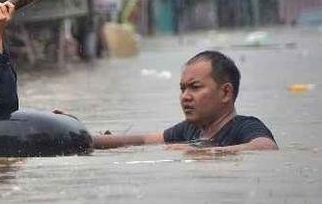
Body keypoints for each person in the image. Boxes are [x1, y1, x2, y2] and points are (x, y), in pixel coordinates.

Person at [93, 50, 278, 153]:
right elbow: (142, 140)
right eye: (183, 88)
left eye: (195, 87)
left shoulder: (245, 127)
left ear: (226, 93)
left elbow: (266, 147)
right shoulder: (191, 130)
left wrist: (204, 152)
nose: (185, 96)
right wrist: (87, 138)